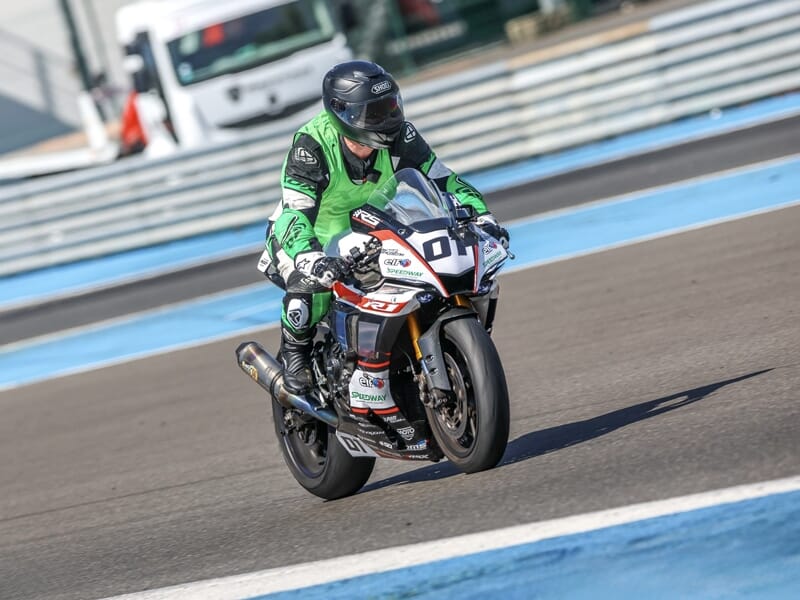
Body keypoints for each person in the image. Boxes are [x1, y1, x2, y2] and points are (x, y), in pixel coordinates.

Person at [261, 60, 510, 395]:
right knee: (311, 290)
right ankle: (296, 356)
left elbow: (443, 180)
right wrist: (312, 257)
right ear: (340, 112)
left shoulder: (399, 136)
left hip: (367, 224)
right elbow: (295, 215)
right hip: (306, 233)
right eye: (373, 112)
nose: (387, 119)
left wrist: (483, 216)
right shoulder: (311, 146)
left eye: (390, 106)